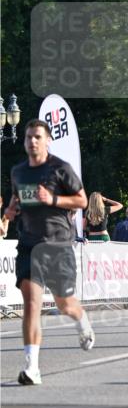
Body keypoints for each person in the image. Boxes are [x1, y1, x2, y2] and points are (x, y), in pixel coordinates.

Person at [5, 119, 95, 385]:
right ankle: (32, 367)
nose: (32, 141)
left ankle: (82, 321)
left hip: (58, 244)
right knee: (31, 304)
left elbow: (82, 200)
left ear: (47, 141)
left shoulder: (60, 169)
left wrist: (54, 199)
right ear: (24, 142)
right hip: (29, 244)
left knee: (64, 304)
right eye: (28, 137)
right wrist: (11, 211)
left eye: (37, 137)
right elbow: (16, 196)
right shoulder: (18, 171)